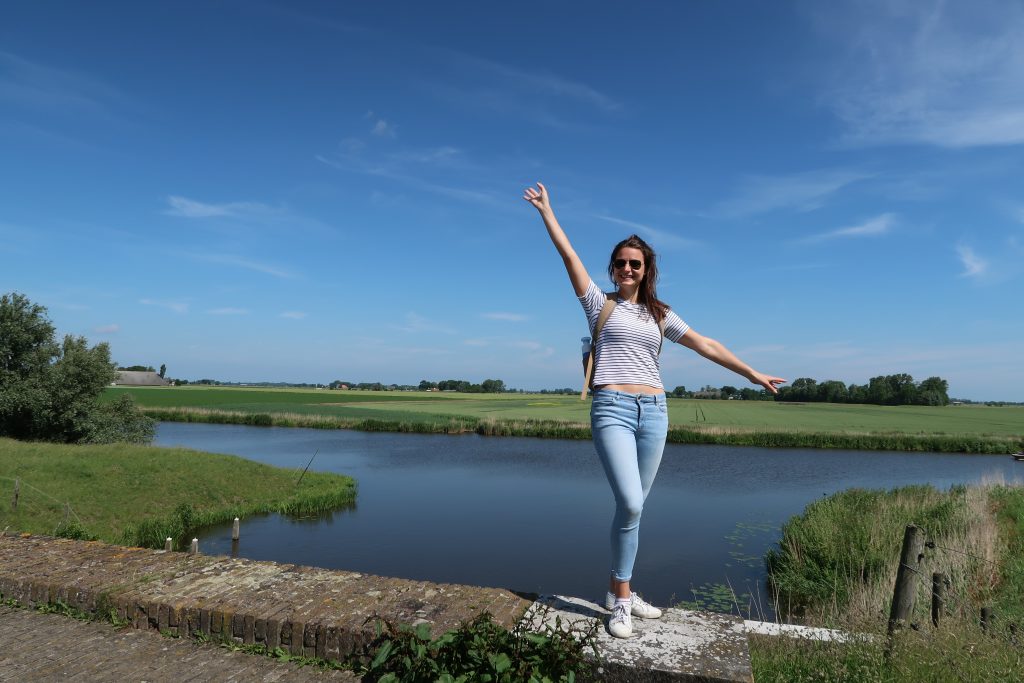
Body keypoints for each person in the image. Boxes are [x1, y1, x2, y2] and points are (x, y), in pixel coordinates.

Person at [523, 182, 786, 638]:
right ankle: (620, 600)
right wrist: (548, 212)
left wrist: (751, 373)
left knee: (635, 509)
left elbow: (704, 343)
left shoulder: (660, 313)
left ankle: (621, 590)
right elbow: (569, 258)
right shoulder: (597, 305)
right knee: (627, 501)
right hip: (612, 408)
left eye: (635, 263)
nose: (627, 268)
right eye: (621, 262)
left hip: (656, 412)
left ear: (646, 271)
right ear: (613, 267)